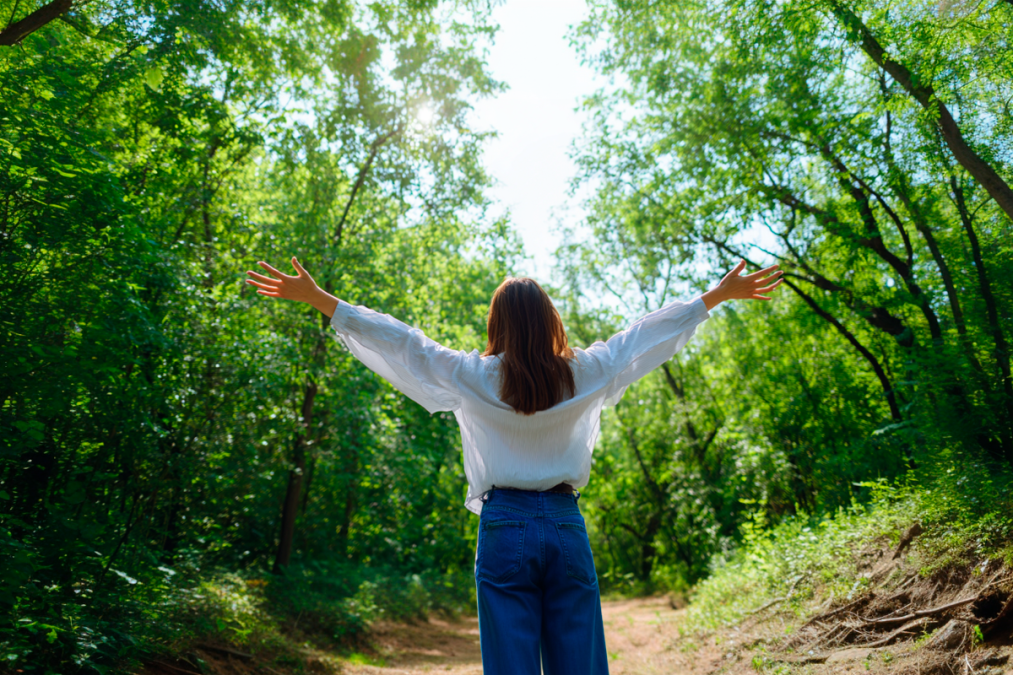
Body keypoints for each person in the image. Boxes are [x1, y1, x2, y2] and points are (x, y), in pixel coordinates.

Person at [245, 257, 782, 674]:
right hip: (566, 525)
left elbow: (404, 344)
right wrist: (713, 298)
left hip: (503, 528)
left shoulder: (470, 375)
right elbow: (641, 338)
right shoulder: (584, 372)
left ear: (496, 324)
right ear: (550, 320)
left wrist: (323, 301)